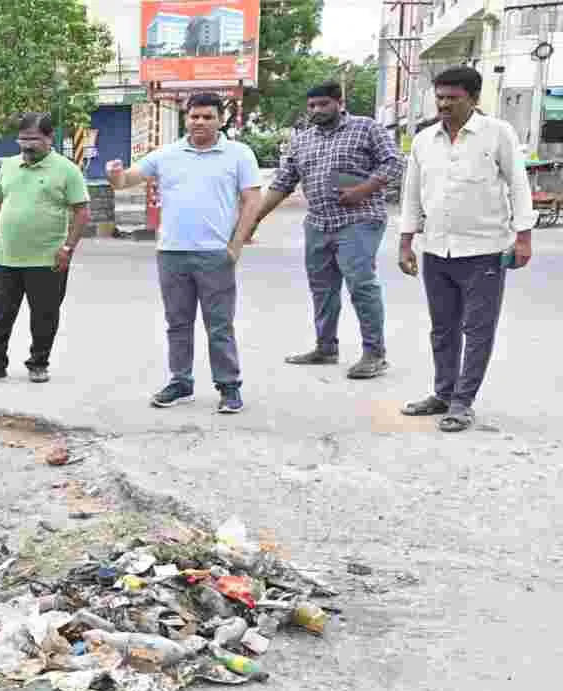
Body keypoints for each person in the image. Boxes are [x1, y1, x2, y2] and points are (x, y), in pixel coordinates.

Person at [105, 93, 262, 413]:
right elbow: (126, 181)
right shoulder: (167, 154)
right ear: (185, 118)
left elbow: (252, 200)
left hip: (215, 253)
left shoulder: (239, 154)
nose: (200, 122)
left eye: (207, 117)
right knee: (177, 323)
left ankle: (229, 386)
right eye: (194, 116)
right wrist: (115, 175)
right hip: (172, 253)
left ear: (221, 120)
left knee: (219, 325)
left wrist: (236, 245)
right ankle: (180, 382)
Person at [397, 66, 534, 432]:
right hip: (436, 250)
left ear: (473, 99)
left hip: (484, 250)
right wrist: (406, 242)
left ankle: (462, 402)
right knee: (442, 329)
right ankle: (443, 394)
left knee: (477, 330)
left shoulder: (498, 133)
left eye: (453, 98)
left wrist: (523, 237)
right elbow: (412, 194)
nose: (444, 104)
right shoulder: (424, 140)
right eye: (440, 97)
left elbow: (518, 185)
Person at [256, 82, 402, 379]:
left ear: (339, 102)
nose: (316, 110)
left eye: (323, 104)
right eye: (311, 106)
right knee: (322, 289)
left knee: (361, 284)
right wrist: (254, 219)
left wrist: (364, 189)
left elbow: (394, 162)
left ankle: (375, 354)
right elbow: (283, 182)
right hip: (318, 223)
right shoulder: (302, 140)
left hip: (359, 219)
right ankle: (325, 348)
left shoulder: (366, 128)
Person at [0, 112, 90, 384]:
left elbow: (82, 212)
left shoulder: (67, 170)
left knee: (44, 316)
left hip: (48, 259)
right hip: (8, 257)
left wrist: (68, 248)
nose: (26, 145)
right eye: (22, 139)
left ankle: (38, 363)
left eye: (33, 139)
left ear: (49, 138)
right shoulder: (8, 166)